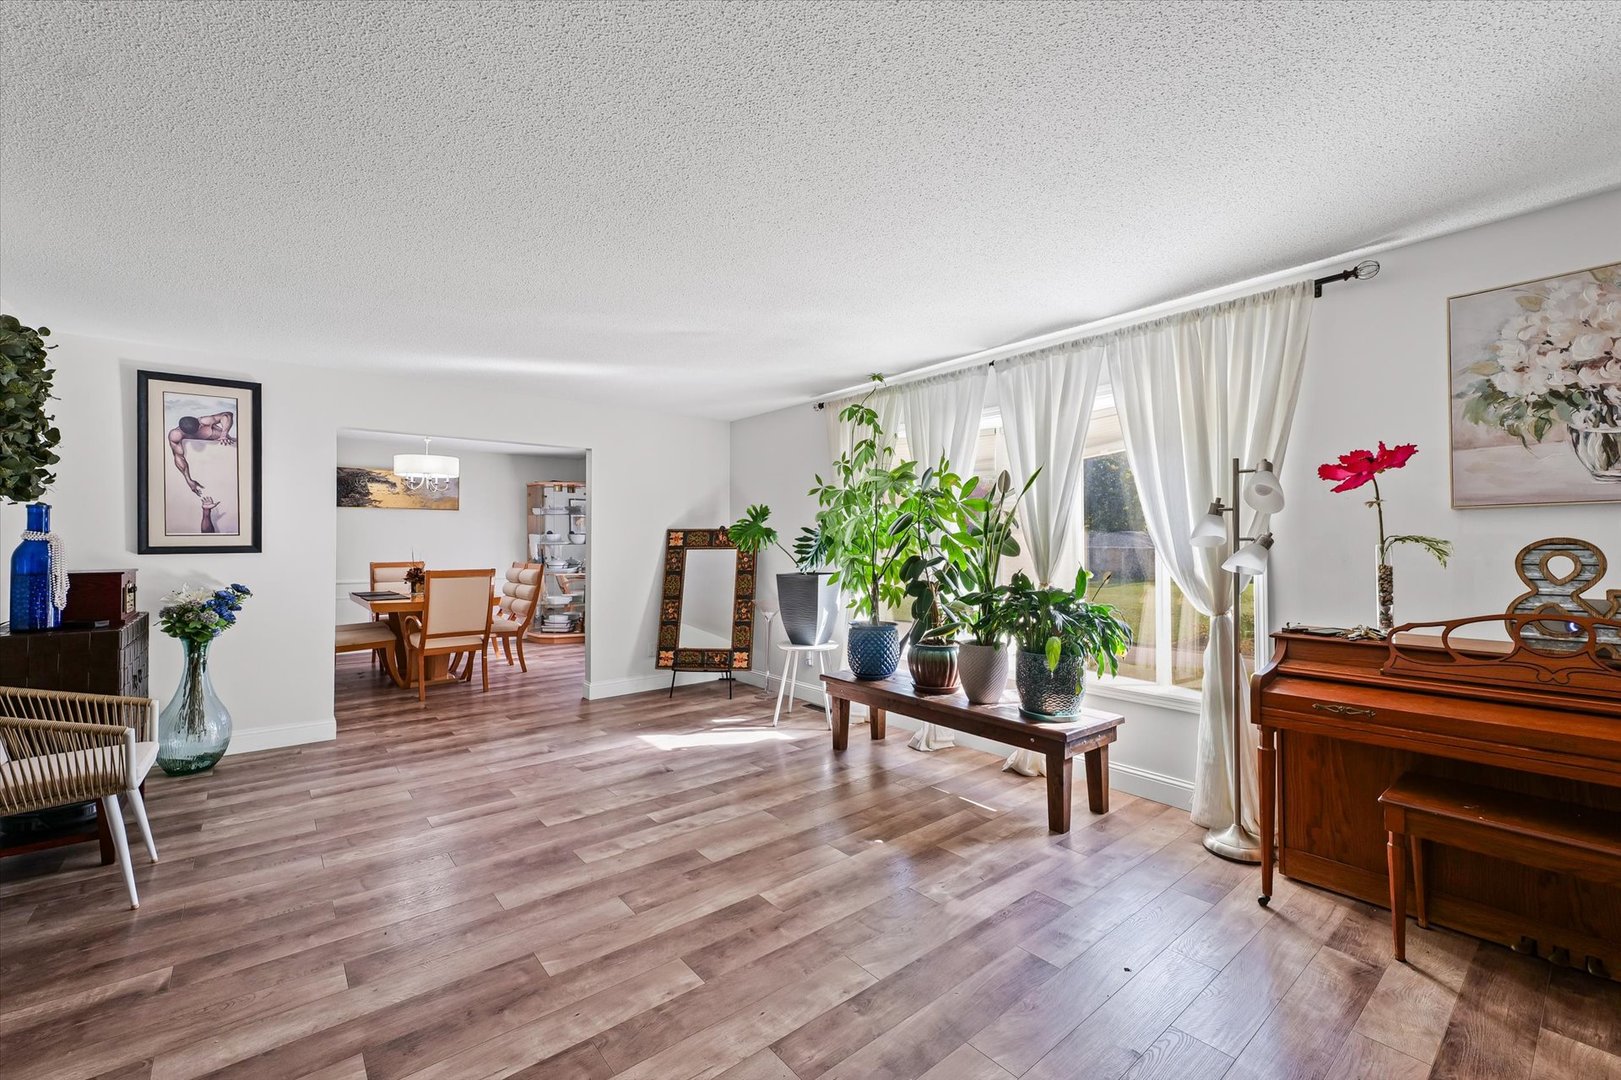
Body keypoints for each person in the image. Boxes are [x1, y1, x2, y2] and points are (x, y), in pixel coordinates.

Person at [167, 411, 235, 496]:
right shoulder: (176, 435)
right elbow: (178, 457)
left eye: (199, 427)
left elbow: (227, 415)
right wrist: (188, 480)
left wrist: (224, 434)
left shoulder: (204, 421)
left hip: (228, 444)